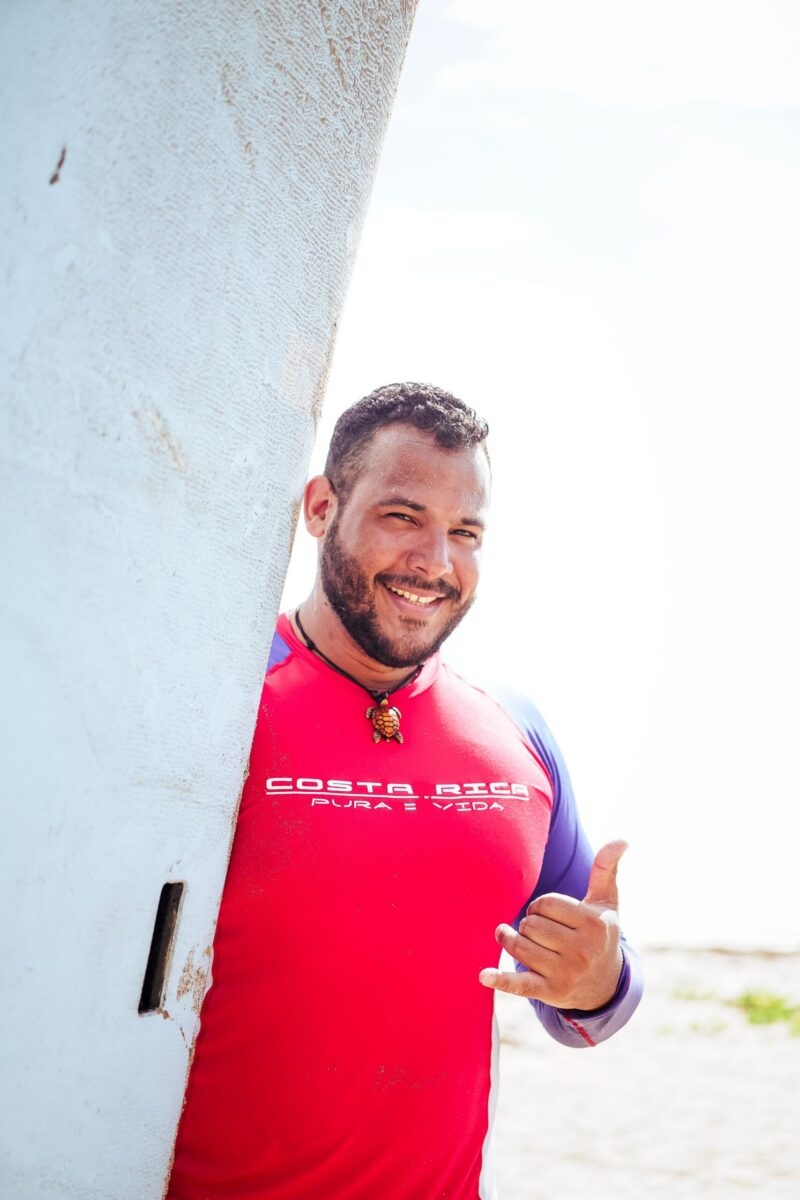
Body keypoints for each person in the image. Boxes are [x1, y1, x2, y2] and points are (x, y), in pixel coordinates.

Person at [167, 382, 643, 1200]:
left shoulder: (515, 731)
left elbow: (586, 1002)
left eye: (466, 531)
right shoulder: (210, 715)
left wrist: (597, 981)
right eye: (403, 516)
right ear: (321, 508)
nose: (436, 561)